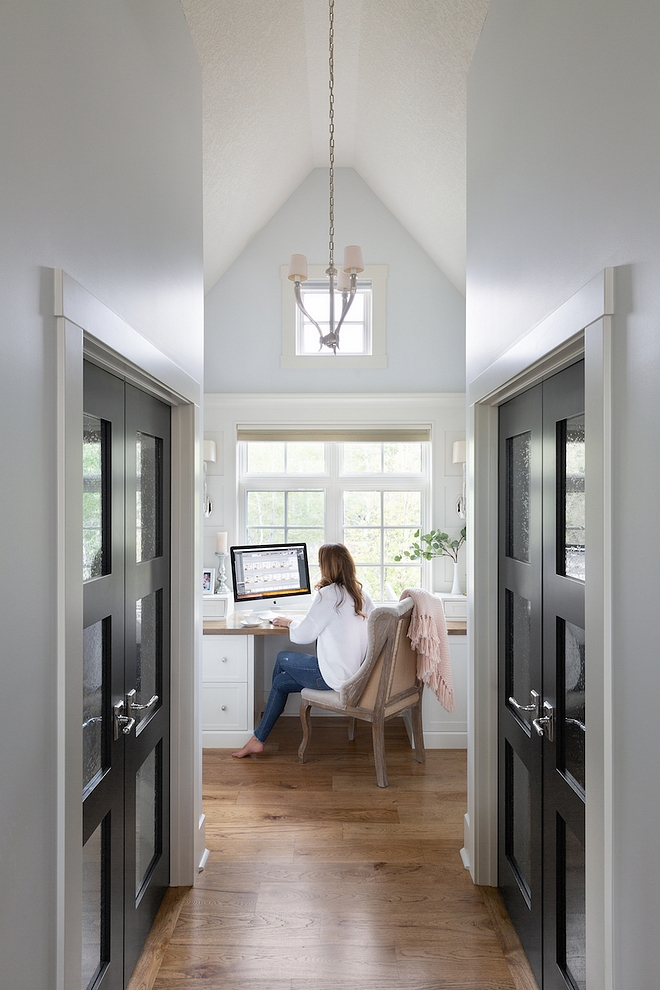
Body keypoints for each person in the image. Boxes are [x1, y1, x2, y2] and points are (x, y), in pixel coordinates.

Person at [232, 543, 374, 758]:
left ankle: (267, 724)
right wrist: (296, 621)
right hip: (356, 674)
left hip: (334, 678)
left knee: (282, 658)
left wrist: (289, 623)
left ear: (327, 567)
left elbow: (303, 636)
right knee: (281, 683)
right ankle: (258, 738)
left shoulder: (328, 595)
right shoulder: (361, 594)